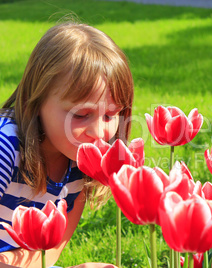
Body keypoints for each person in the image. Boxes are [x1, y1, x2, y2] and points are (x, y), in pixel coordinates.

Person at [0, 22, 134, 268]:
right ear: (34, 104)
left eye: (110, 115)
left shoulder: (80, 165)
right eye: (81, 115)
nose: (99, 133)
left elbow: (48, 254)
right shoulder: (5, 147)